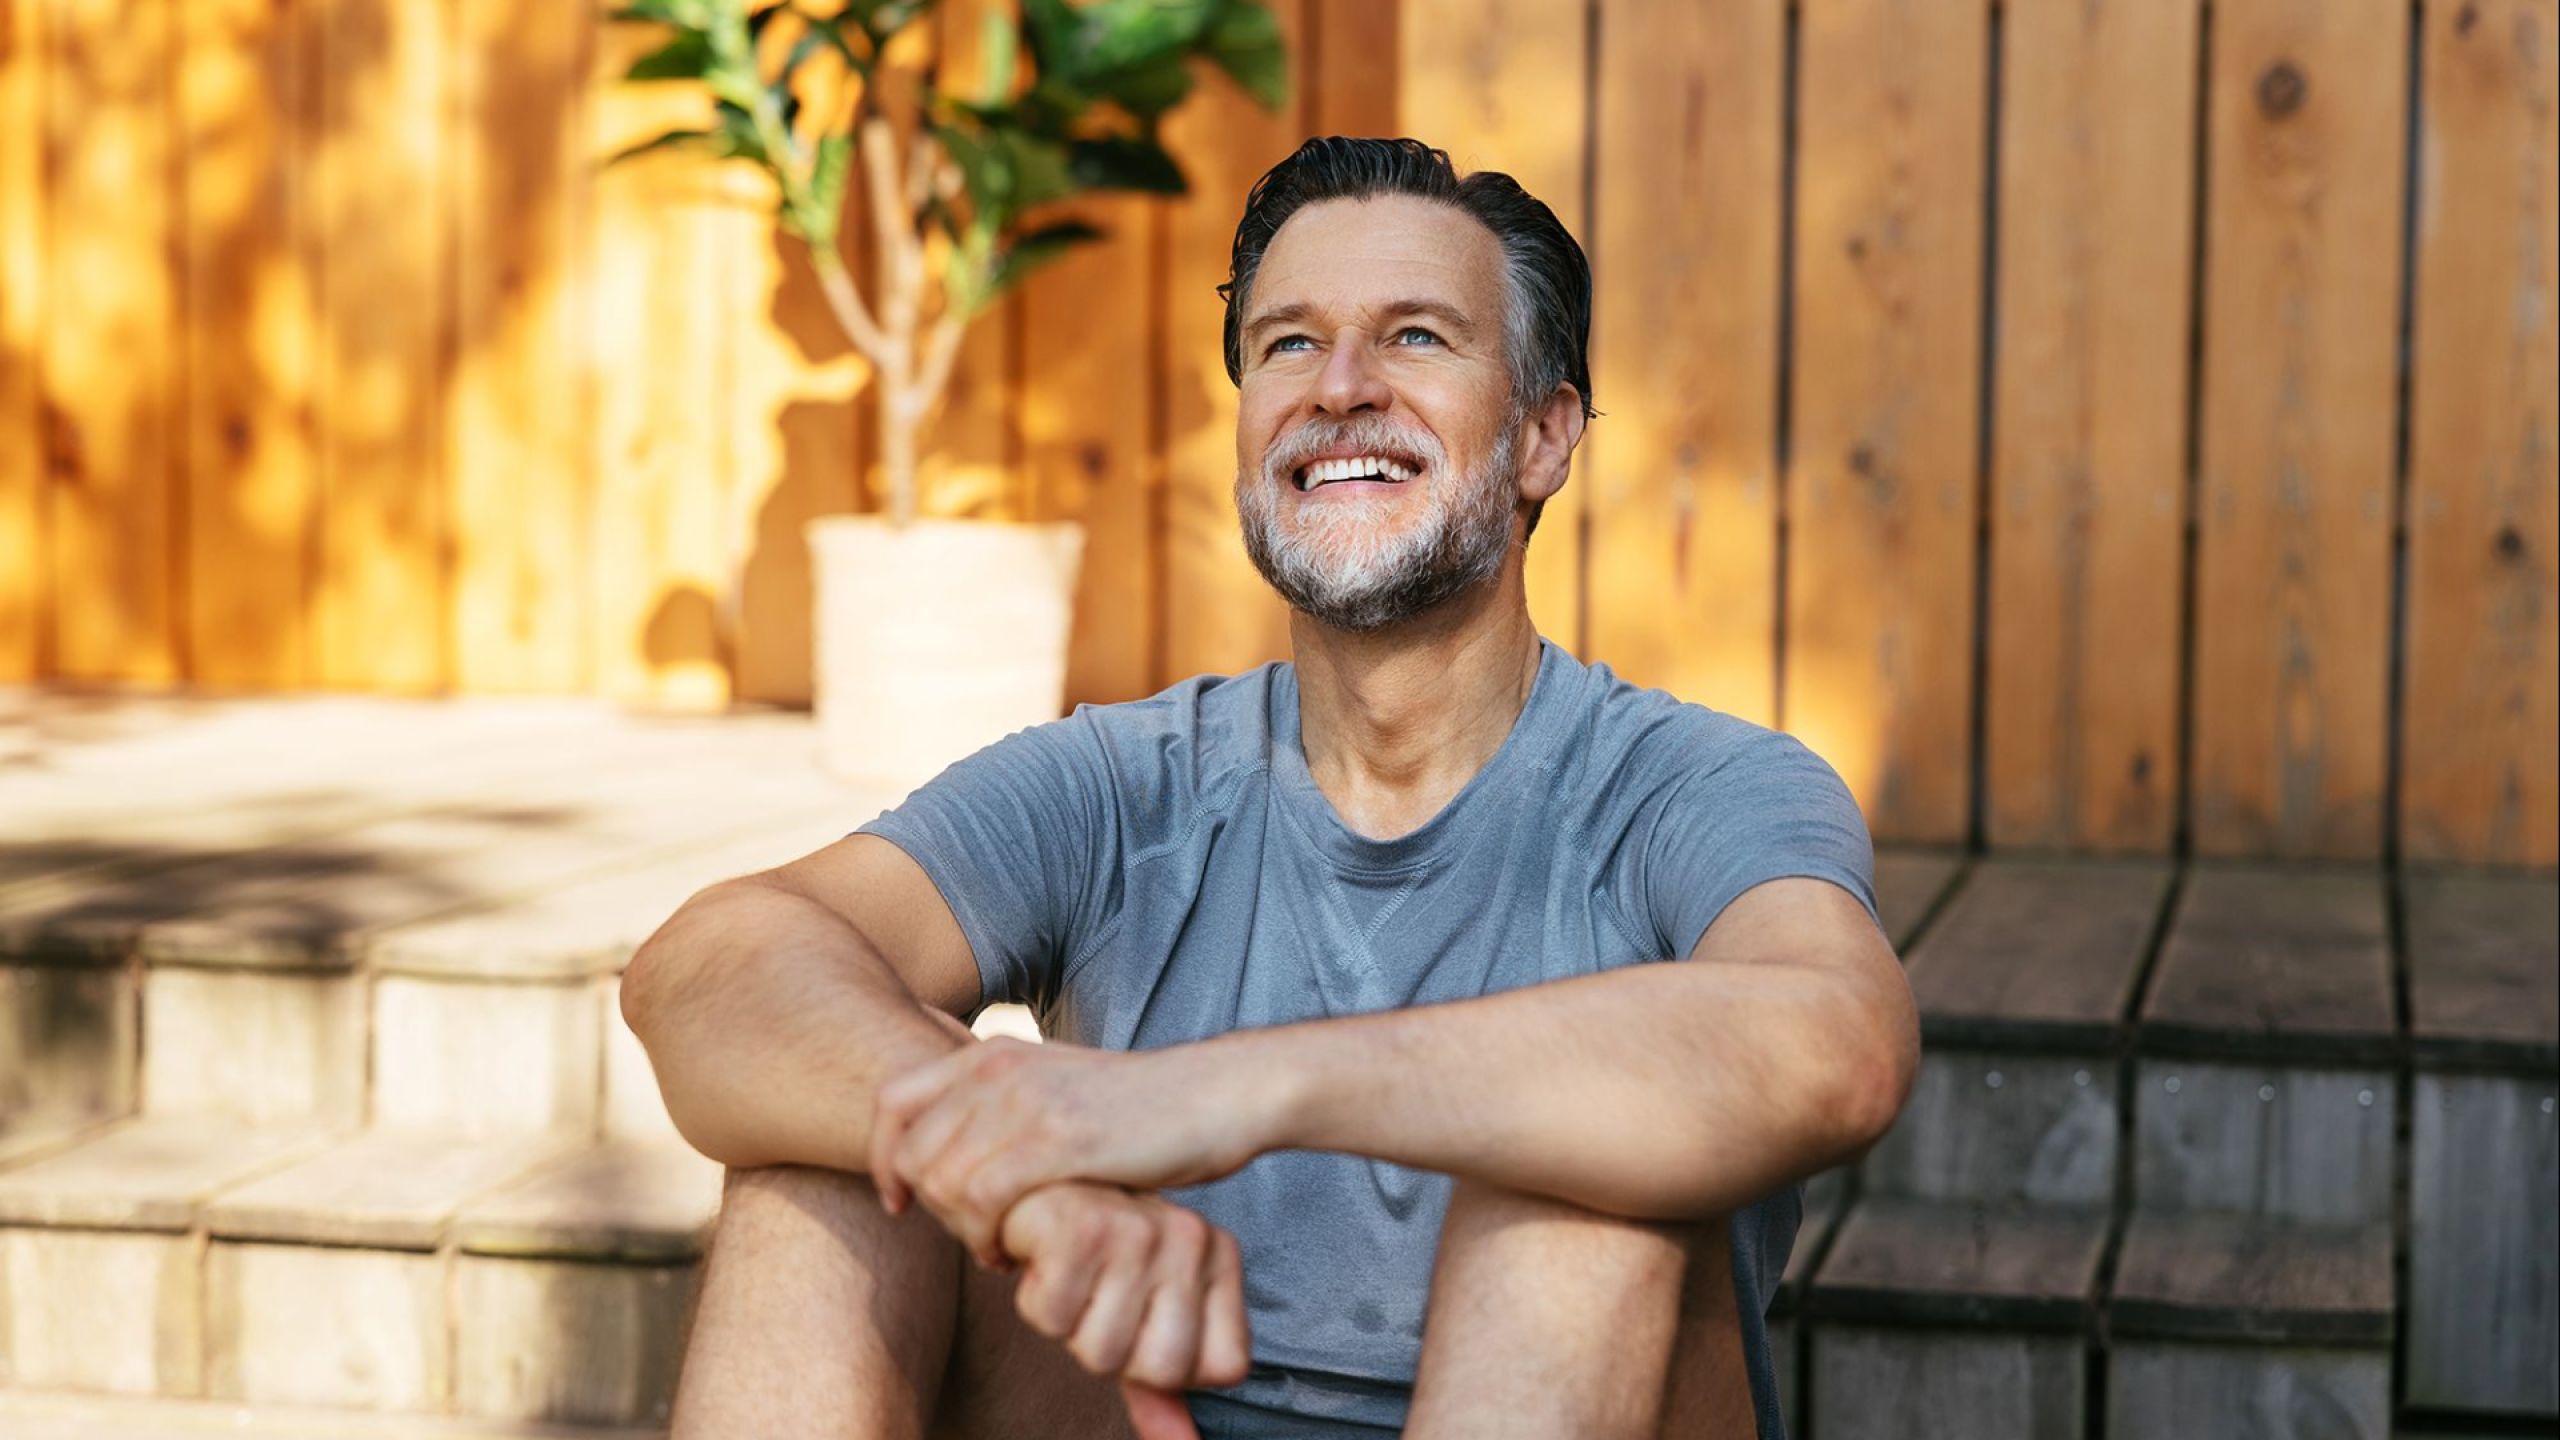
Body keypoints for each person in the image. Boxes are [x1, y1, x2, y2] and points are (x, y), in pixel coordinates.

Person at [620, 135, 1920, 1440]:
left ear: (1543, 434)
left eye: (1414, 338)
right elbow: (708, 968)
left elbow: (1838, 1041)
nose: (1339, 387)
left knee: (1572, 1199)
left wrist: (1226, 1092)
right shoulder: (1123, 786)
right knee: (836, 1173)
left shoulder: (1701, 787)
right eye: (1288, 345)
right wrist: (1029, 1181)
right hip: (1142, 1412)